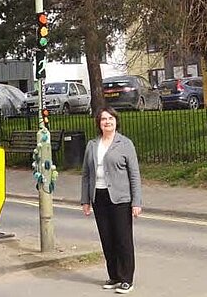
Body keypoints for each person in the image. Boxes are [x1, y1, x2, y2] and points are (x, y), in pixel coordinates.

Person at [81, 106, 142, 294]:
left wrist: (136, 202)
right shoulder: (92, 145)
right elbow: (86, 174)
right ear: (98, 123)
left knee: (123, 239)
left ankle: (126, 279)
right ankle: (114, 276)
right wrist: (85, 200)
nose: (107, 122)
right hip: (98, 197)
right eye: (103, 119)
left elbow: (134, 175)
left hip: (120, 198)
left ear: (116, 121)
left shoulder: (125, 144)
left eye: (110, 119)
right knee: (107, 239)